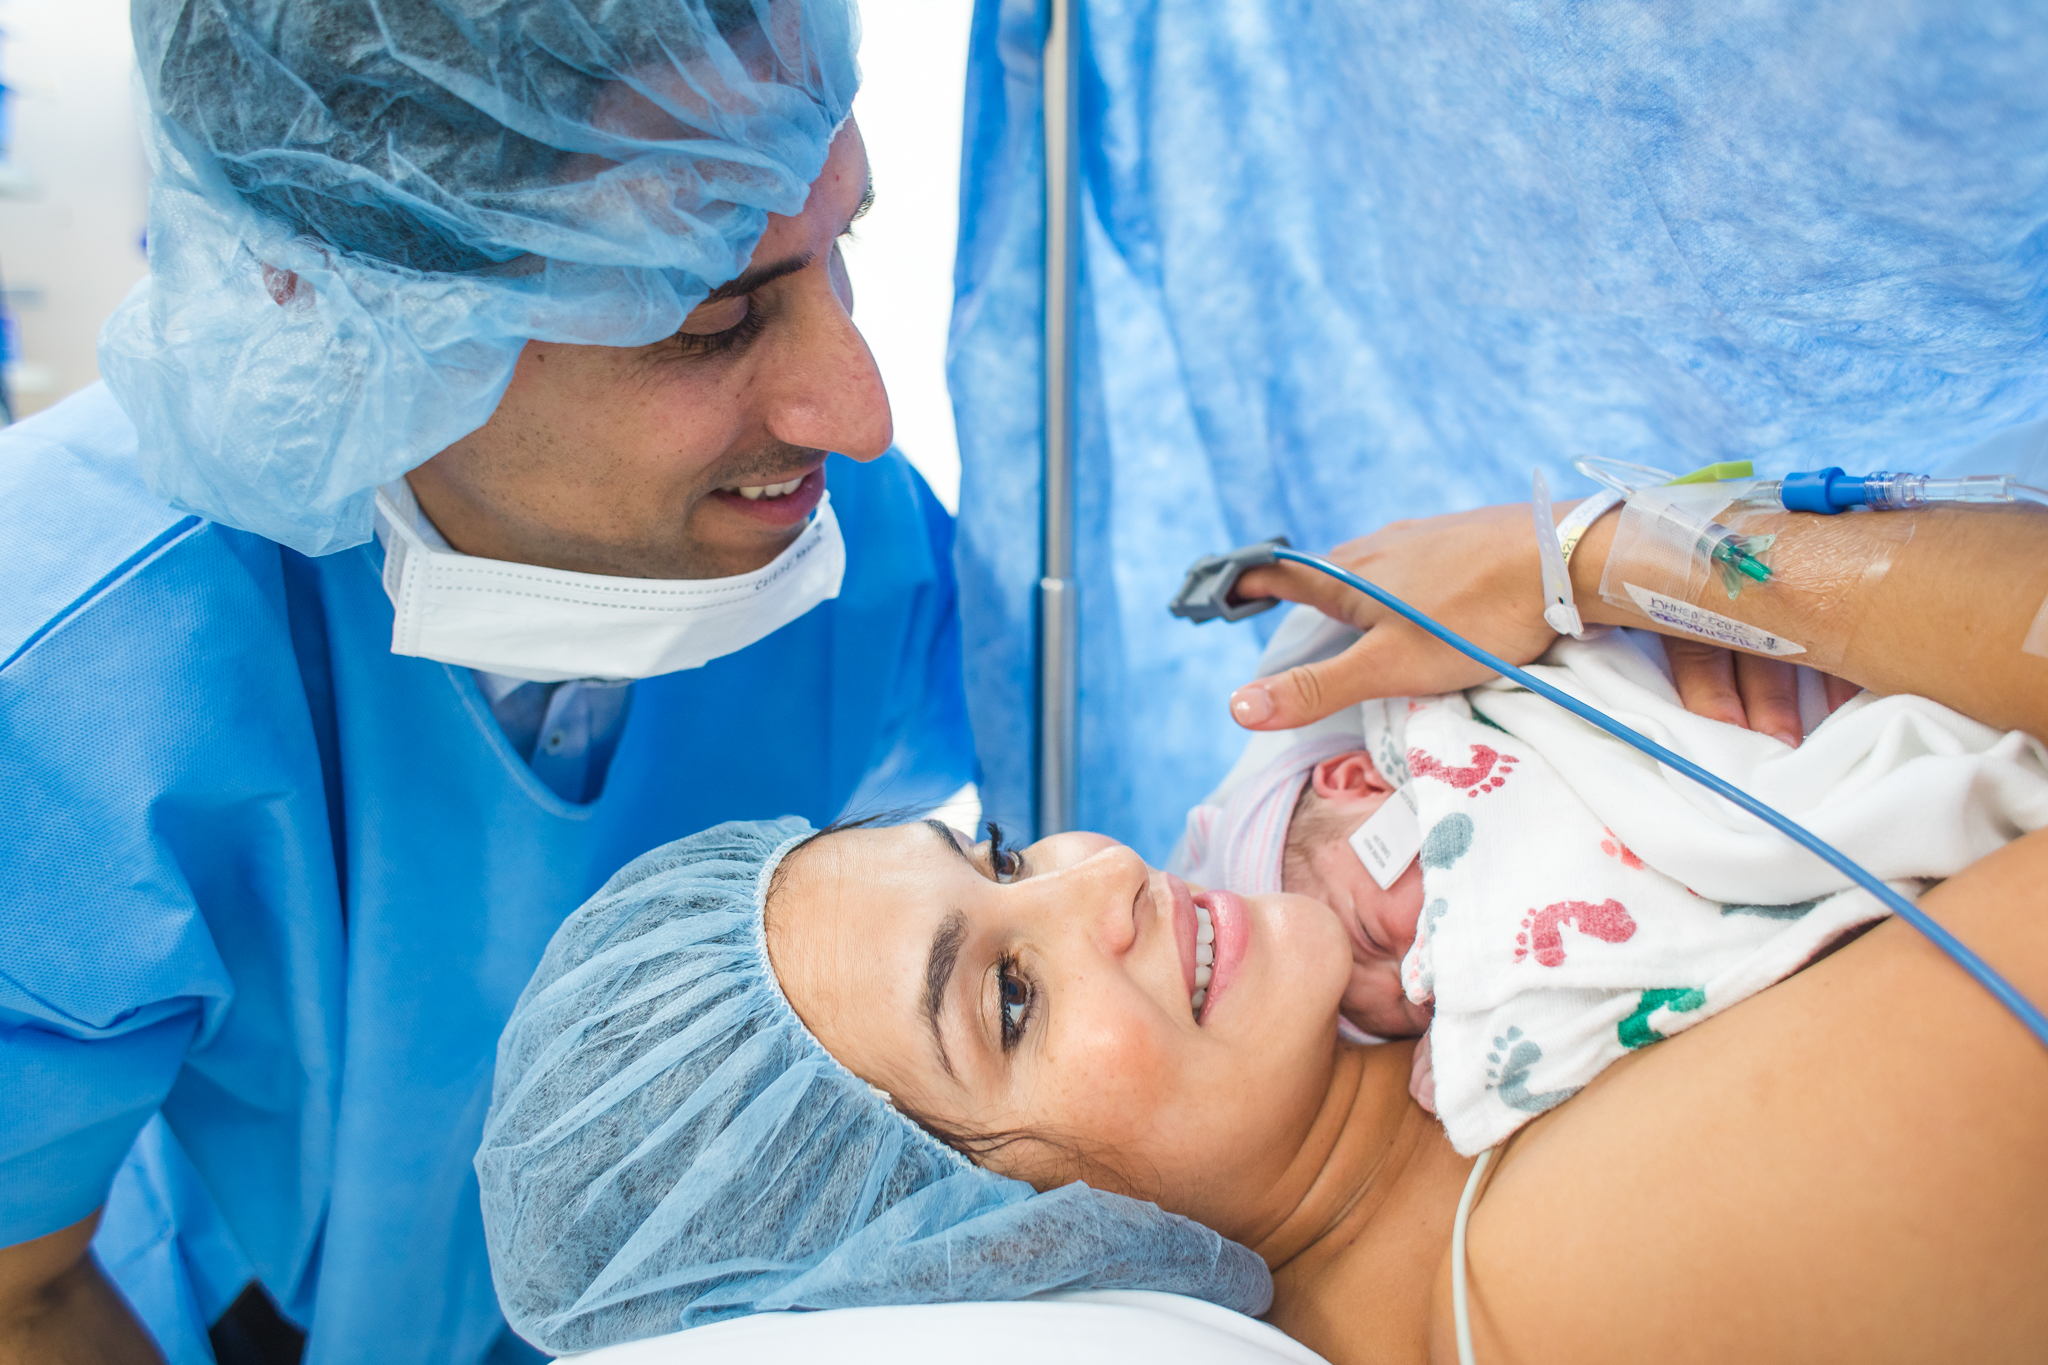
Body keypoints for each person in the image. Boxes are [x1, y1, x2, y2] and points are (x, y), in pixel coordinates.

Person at [478, 494, 2048, 1363]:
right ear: (974, 1253)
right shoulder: (1554, 1275)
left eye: (1003, 853)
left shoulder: (1405, 998)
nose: (1103, 880)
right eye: (1009, 998)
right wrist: (1600, 559)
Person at [0, 3, 973, 1363]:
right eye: (710, 319)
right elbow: (20, 1290)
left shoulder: (854, 543)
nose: (857, 410)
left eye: (842, 249)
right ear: (342, 301)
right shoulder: (65, 672)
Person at [1175, 625, 2048, 1146]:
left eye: (1372, 936)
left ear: (1359, 781)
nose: (1417, 978)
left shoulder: (1466, 728)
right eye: (1409, 1013)